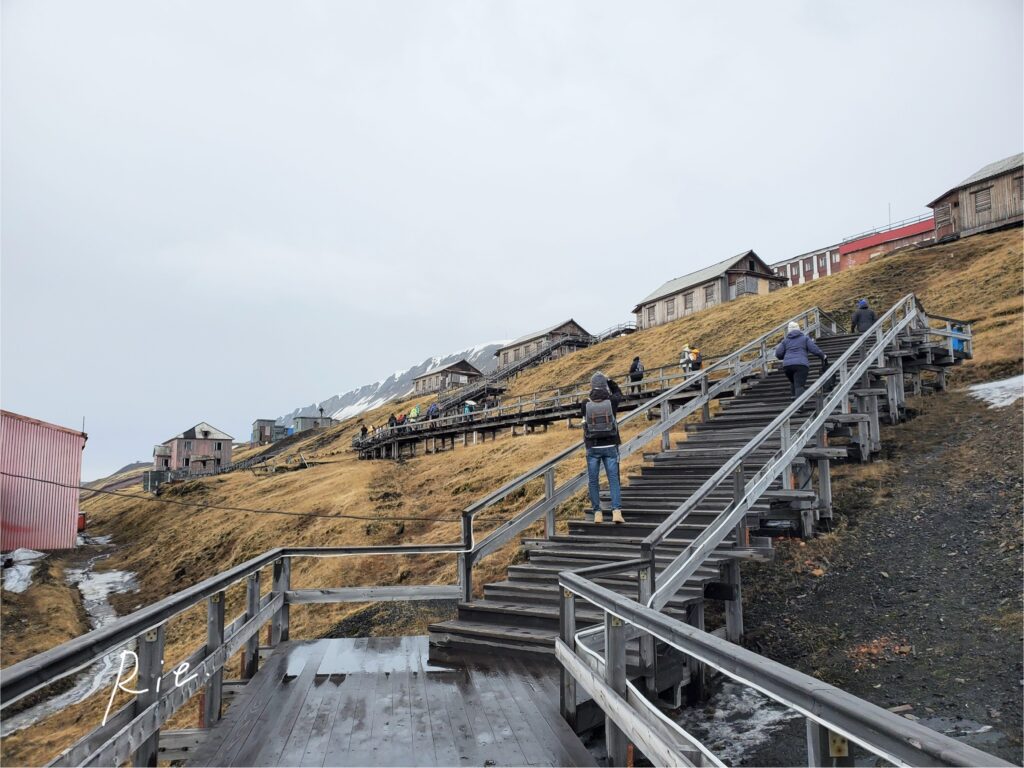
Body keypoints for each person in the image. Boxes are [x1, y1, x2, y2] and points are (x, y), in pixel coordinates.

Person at [580, 372, 624, 524]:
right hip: (611, 445)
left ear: (592, 386)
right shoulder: (612, 401)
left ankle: (597, 512)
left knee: (593, 481)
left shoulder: (585, 403)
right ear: (605, 385)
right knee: (613, 479)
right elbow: (619, 393)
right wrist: (610, 380)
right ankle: (616, 512)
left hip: (593, 447)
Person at [775, 321, 827, 399]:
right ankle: (799, 408)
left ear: (789, 330)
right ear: (798, 329)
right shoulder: (804, 338)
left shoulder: (785, 341)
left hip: (787, 366)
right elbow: (814, 350)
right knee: (799, 385)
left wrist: (786, 357)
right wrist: (823, 356)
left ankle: (793, 405)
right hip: (801, 364)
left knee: (793, 382)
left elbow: (778, 354)